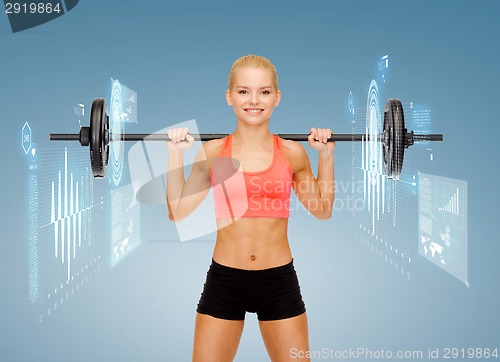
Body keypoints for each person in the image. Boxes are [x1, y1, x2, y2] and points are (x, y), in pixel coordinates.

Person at [166, 54, 335, 362]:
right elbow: (177, 211)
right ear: (229, 96)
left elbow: (322, 209)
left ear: (277, 98)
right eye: (244, 91)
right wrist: (175, 154)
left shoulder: (293, 153)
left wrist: (325, 155)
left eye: (265, 92)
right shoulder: (215, 151)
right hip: (225, 281)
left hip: (278, 281)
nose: (254, 100)